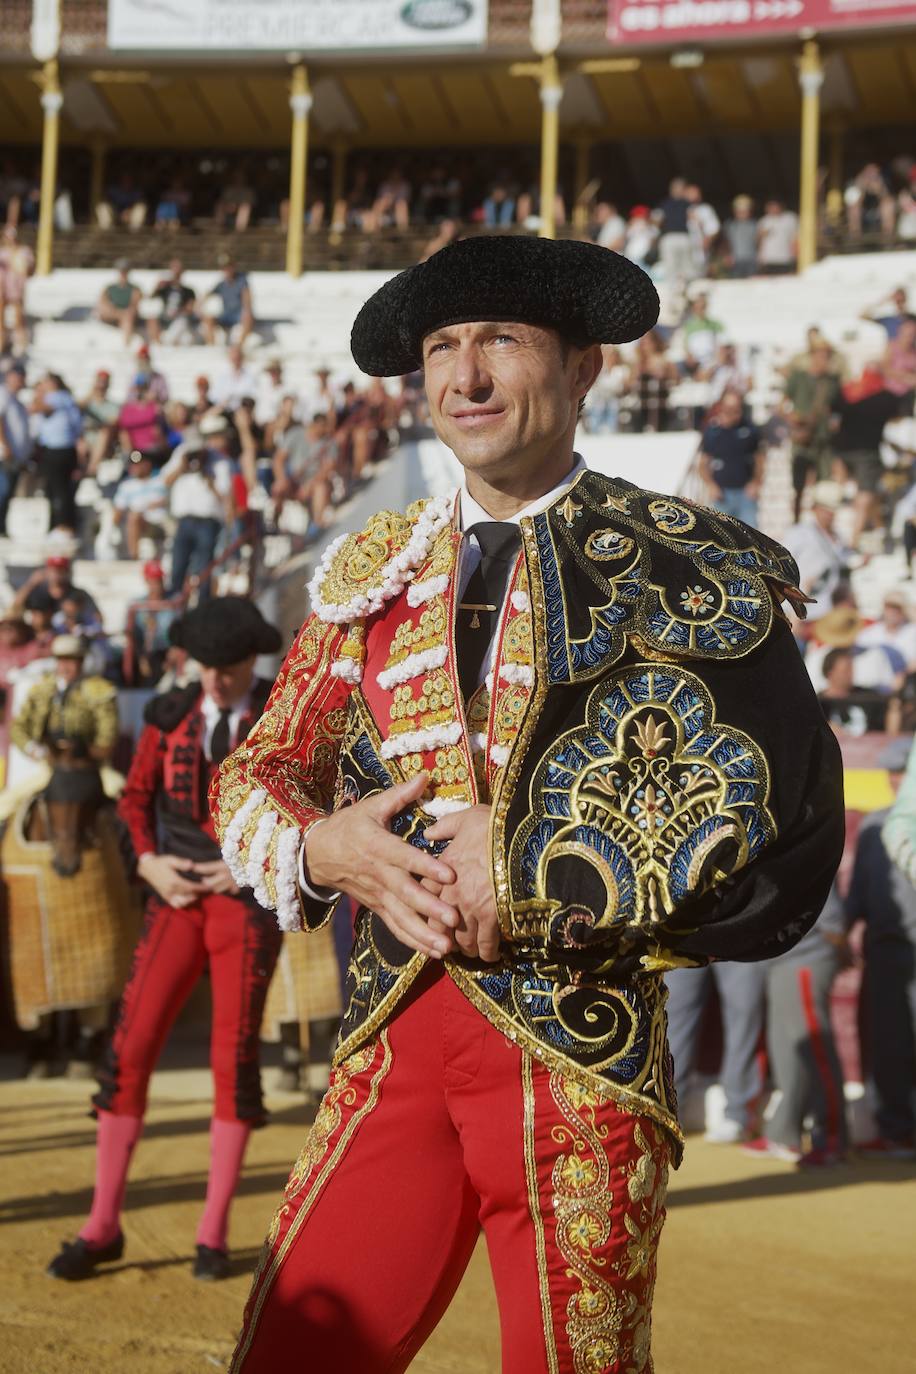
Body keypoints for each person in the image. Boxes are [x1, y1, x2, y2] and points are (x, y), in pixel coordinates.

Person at [211, 234, 845, 1373]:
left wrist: (531, 867)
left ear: (585, 365)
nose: (465, 378)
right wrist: (322, 848)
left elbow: (777, 802)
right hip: (393, 1041)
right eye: (442, 349)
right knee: (293, 1355)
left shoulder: (681, 564)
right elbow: (256, 768)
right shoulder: (373, 572)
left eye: (500, 340)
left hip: (579, 1054)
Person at [46, 599, 289, 1283]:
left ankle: (211, 1233)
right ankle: (101, 1225)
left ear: (252, 660)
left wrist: (246, 867)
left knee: (232, 1059)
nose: (216, 680)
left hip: (243, 906)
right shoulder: (167, 716)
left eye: (231, 667)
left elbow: (309, 807)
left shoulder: (281, 715)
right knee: (129, 1048)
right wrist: (148, 861)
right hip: (176, 898)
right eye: (207, 666)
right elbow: (133, 801)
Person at [743, 885, 851, 1166]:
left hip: (807, 959)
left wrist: (836, 948)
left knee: (814, 1049)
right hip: (780, 962)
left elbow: (833, 920)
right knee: (786, 1051)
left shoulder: (804, 841)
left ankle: (832, 1138)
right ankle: (783, 1133)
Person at [856, 738, 916, 1158]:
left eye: (902, 772)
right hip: (887, 952)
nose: (897, 780)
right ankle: (896, 1128)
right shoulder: (874, 827)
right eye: (893, 774)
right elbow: (860, 892)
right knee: (890, 1043)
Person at [162, 420, 235, 597]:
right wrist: (182, 466)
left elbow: (225, 496)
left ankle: (203, 600)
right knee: (178, 564)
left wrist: (209, 480)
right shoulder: (181, 454)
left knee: (204, 567)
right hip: (184, 520)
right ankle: (174, 600)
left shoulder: (220, 462)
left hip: (208, 522)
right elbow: (166, 480)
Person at [783, 343, 843, 515]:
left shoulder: (832, 382)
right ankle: (796, 520)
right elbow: (783, 405)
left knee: (823, 484)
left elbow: (837, 408)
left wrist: (834, 421)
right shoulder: (799, 377)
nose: (824, 360)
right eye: (821, 355)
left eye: (827, 356)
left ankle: (818, 520)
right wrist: (794, 419)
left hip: (822, 439)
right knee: (798, 485)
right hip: (802, 439)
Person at [698, 389, 765, 525]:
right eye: (728, 408)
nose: (732, 413)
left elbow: (760, 460)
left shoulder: (750, 429)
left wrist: (756, 482)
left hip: (746, 495)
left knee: (750, 537)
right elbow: (703, 464)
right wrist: (711, 485)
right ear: (721, 407)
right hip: (722, 496)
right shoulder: (712, 431)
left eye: (736, 408)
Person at [30, 374, 84, 533]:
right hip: (63, 450)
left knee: (59, 490)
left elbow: (36, 408)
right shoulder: (67, 399)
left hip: (57, 450)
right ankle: (58, 525)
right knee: (55, 490)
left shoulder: (57, 397)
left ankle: (63, 525)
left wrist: (38, 394)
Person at [111, 451, 169, 559]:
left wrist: (158, 503)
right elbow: (118, 511)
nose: (134, 468)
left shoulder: (160, 481)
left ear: (147, 464)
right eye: (132, 465)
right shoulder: (126, 486)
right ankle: (134, 556)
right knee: (134, 517)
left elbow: (171, 499)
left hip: (160, 522)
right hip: (139, 523)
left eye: (138, 464)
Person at [817, 647, 887, 735]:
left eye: (851, 669)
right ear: (830, 673)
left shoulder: (868, 697)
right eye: (846, 670)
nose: (851, 674)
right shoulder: (819, 704)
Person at [0, 360, 31, 535]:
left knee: (8, 493)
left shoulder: (17, 401)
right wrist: (5, 445)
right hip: (5, 455)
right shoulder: (3, 394)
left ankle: (2, 527)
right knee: (2, 491)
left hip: (15, 457)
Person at [147, 257, 197, 345]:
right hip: (165, 317)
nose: (176, 272)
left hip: (179, 317)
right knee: (152, 319)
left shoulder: (188, 291)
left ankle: (167, 343)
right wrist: (157, 286)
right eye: (174, 268)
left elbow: (190, 308)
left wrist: (177, 312)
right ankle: (157, 345)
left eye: (178, 269)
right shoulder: (165, 288)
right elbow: (151, 297)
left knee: (182, 321)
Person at [204, 256, 253, 347]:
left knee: (248, 316)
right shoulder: (222, 284)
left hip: (238, 315)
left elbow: (247, 297)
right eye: (224, 268)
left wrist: (247, 310)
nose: (227, 270)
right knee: (208, 319)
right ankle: (211, 346)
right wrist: (198, 306)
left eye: (229, 267)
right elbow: (207, 295)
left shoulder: (242, 281)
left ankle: (239, 347)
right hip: (226, 315)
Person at [655, 176, 693, 284]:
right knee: (670, 266)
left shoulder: (688, 203)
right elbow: (657, 220)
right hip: (669, 236)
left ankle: (686, 290)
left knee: (686, 267)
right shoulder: (665, 203)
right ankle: (673, 293)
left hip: (684, 236)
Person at [95, 259, 141, 345]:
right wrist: (116, 311)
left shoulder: (135, 289)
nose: (123, 274)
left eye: (125, 271)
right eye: (121, 271)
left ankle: (126, 345)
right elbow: (102, 302)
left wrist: (123, 313)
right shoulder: (110, 288)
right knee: (104, 308)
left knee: (128, 316)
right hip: (112, 314)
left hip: (127, 316)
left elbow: (134, 306)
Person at [757, 199, 798, 274]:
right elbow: (760, 241)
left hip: (785, 258)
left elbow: (795, 238)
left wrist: (795, 254)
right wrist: (760, 257)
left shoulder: (790, 219)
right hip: (769, 259)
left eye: (776, 206)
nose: (774, 209)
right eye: (771, 207)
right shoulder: (764, 221)